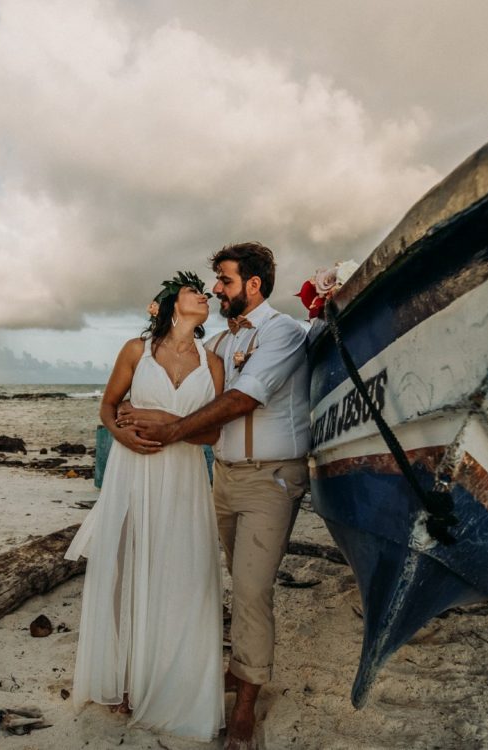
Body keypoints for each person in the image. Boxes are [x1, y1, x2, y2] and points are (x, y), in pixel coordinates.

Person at [129, 242, 311, 750]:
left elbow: (243, 399)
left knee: (252, 589)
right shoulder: (223, 345)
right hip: (224, 477)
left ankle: (246, 706)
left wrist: (171, 431)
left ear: (253, 285)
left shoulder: (284, 333)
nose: (216, 290)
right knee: (231, 577)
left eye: (225, 281)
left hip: (271, 478)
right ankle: (240, 668)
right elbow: (196, 401)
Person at [64, 271, 225, 741]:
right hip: (134, 471)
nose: (207, 297)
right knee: (128, 565)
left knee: (182, 570)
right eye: (198, 292)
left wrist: (166, 419)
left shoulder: (212, 362)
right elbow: (108, 407)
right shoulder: (137, 352)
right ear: (175, 304)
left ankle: (171, 679)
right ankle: (128, 679)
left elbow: (212, 433)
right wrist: (121, 438)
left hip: (185, 477)